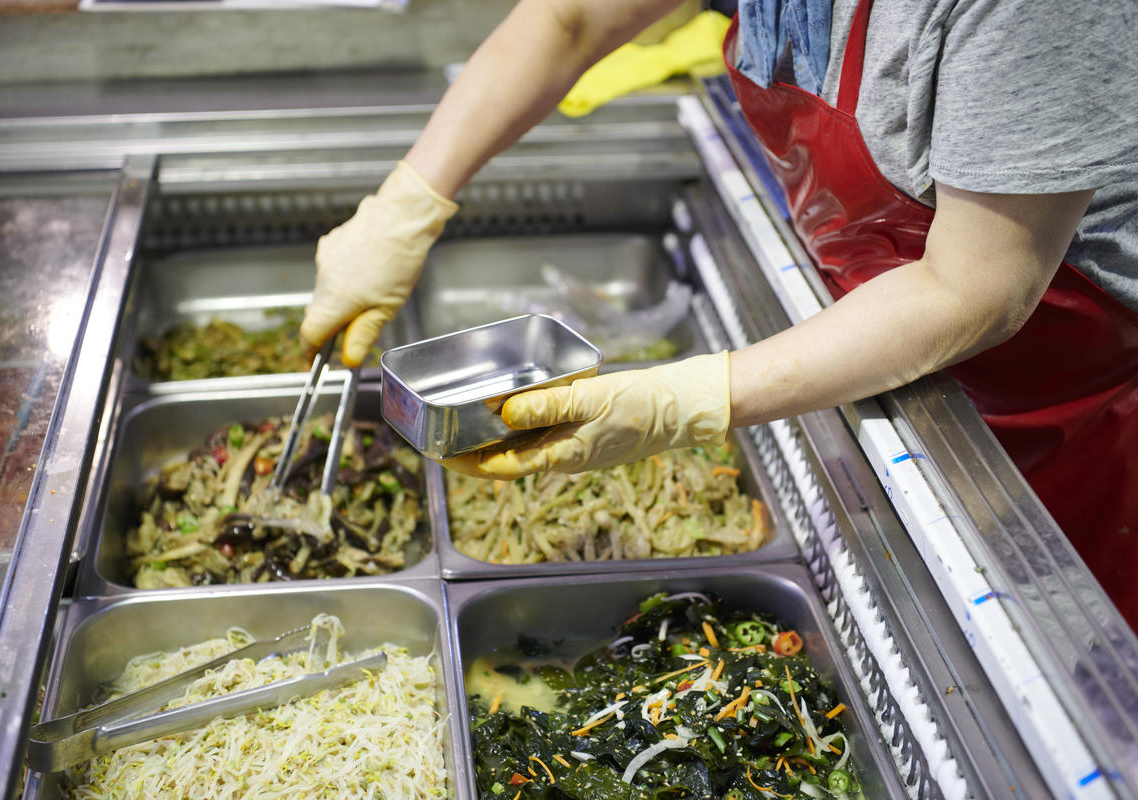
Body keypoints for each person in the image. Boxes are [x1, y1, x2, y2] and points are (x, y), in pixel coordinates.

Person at [301, 0, 1138, 622]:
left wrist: (686, 399)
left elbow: (977, 289)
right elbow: (572, 17)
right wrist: (405, 204)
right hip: (875, 332)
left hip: (1056, 407)